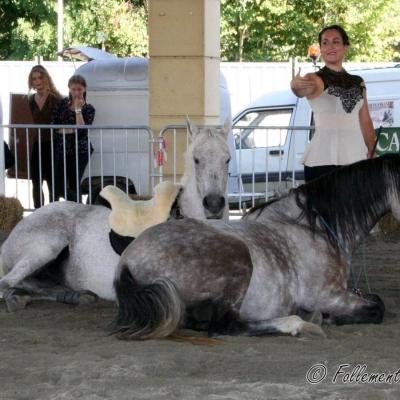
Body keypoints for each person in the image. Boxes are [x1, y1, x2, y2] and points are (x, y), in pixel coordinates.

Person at [290, 25, 376, 183]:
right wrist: (295, 86)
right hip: (322, 159)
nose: (330, 46)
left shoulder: (359, 82)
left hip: (356, 159)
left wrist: (372, 151)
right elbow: (300, 90)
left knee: (356, 207)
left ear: (345, 47)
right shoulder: (314, 78)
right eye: (325, 43)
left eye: (335, 42)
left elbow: (366, 121)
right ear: (321, 49)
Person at [53, 75, 95, 202]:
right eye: (74, 89)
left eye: (79, 89)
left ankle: (77, 210)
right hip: (62, 149)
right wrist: (72, 130)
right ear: (69, 89)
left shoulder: (89, 109)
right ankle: (71, 207)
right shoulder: (62, 104)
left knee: (74, 183)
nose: (76, 92)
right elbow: (54, 126)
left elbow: (81, 130)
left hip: (80, 150)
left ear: (85, 89)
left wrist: (78, 110)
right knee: (59, 184)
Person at [28, 65, 62, 207]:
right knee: (36, 181)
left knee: (52, 182)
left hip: (53, 144)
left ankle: (53, 214)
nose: (37, 81)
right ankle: (38, 213)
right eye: (34, 78)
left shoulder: (57, 99)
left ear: (46, 78)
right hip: (37, 145)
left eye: (40, 77)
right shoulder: (30, 100)